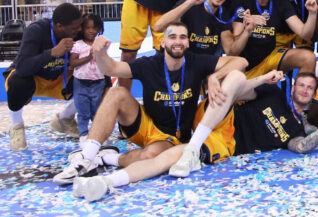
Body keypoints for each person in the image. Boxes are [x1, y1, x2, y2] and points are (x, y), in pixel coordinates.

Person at [70, 70, 318, 201]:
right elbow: (238, 89)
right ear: (294, 86)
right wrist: (263, 79)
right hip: (219, 114)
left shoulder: (296, 129)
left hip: (228, 142)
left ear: (314, 94)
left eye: (309, 88)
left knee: (163, 158)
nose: (304, 90)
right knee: (236, 76)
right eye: (301, 85)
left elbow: (303, 146)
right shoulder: (273, 93)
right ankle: (193, 145)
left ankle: (106, 179)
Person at [53, 22, 248, 185]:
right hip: (146, 125)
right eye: (172, 37)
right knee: (117, 93)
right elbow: (112, 69)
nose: (177, 41)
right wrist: (100, 54)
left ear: (188, 42)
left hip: (173, 136)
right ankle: (85, 159)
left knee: (149, 157)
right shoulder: (149, 64)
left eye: (182, 37)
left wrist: (215, 77)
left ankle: (106, 158)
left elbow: (240, 62)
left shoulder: (196, 61)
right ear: (163, 42)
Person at [4, 3, 83, 150]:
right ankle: (16, 126)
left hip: (60, 78)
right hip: (34, 79)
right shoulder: (36, 30)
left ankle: (65, 118)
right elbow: (22, 67)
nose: (79, 30)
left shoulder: (78, 32)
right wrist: (52, 53)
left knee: (98, 78)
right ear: (59, 26)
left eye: (80, 26)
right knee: (17, 82)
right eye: (75, 28)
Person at [228, 0, 318, 78]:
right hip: (245, 65)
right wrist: (247, 31)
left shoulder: (281, 2)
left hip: (270, 59)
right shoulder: (241, 0)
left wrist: (312, 13)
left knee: (309, 58)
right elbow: (233, 51)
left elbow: (305, 34)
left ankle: (299, 90)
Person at [153, 0, 236, 56]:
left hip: (202, 61)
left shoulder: (223, 14)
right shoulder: (189, 4)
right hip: (177, 58)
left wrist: (244, 33)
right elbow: (158, 27)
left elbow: (230, 51)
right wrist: (190, 2)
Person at [69, 14, 106, 139]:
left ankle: (97, 136)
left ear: (99, 29)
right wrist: (89, 57)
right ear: (82, 29)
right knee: (83, 111)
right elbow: (73, 63)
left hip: (98, 82)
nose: (91, 31)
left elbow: (105, 62)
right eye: (87, 28)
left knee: (97, 112)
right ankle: (83, 136)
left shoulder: (101, 44)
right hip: (81, 83)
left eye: (94, 28)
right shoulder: (78, 45)